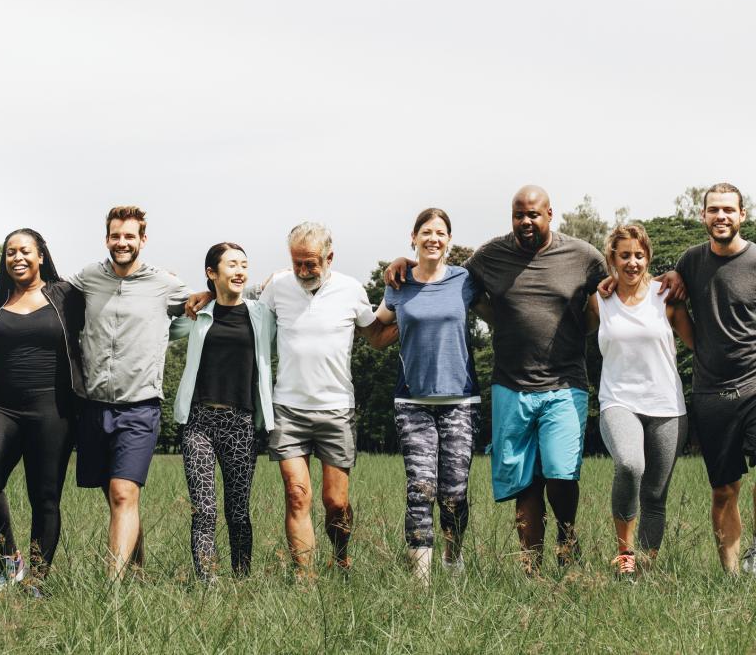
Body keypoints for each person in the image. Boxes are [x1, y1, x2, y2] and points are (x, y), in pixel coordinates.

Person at [387, 185, 608, 571]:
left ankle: (567, 537)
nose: (525, 221)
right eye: (518, 215)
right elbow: (442, 277)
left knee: (560, 472)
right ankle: (531, 569)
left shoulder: (582, 255)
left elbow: (609, 292)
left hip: (564, 382)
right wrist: (403, 261)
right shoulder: (490, 256)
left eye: (533, 215)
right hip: (510, 383)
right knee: (524, 482)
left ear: (549, 214)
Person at [258, 222, 397, 571]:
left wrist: (417, 313)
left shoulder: (351, 290)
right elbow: (246, 315)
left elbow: (377, 338)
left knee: (335, 502)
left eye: (311, 263)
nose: (303, 271)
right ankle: (305, 578)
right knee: (296, 495)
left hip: (336, 410)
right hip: (288, 410)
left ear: (329, 257)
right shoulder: (276, 288)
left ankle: (340, 558)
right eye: (296, 263)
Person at [374, 208, 488, 582]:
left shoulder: (465, 281)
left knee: (454, 494)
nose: (433, 238)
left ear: (449, 241)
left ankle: (452, 563)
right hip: (412, 402)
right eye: (426, 232)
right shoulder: (399, 283)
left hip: (460, 400)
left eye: (440, 232)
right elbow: (374, 329)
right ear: (414, 237)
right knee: (420, 489)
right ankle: (420, 582)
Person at [585, 224, 694, 578]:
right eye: (624, 255)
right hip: (618, 401)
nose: (632, 262)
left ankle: (646, 568)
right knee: (630, 465)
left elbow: (700, 346)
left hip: (667, 405)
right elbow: (569, 334)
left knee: (655, 495)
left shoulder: (666, 296)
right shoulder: (600, 298)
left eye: (639, 254)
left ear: (648, 256)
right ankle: (625, 553)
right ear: (612, 259)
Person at [664, 183, 756, 574]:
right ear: (703, 216)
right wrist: (699, 348)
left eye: (729, 210)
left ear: (742, 215)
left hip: (754, 382)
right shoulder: (690, 260)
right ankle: (732, 576)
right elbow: (673, 305)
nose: (721, 216)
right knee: (723, 490)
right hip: (711, 392)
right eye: (713, 210)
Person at [170, 243, 275, 581]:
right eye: (231, 265)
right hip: (198, 422)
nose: (240, 270)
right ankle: (209, 582)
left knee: (238, 511)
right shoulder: (197, 315)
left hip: (240, 422)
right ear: (212, 272)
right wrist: (199, 296)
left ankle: (241, 580)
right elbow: (161, 325)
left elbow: (284, 278)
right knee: (204, 509)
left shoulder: (261, 314)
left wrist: (208, 289)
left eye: (244, 264)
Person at [0, 229, 85, 594]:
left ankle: (37, 580)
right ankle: (11, 561)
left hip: (53, 410)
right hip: (3, 408)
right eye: (11, 252)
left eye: (25, 251)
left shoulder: (66, 296)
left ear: (40, 255)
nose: (18, 258)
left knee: (44, 497)